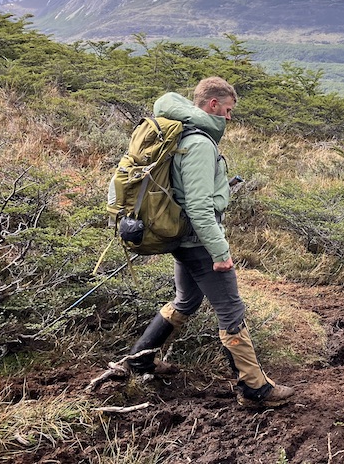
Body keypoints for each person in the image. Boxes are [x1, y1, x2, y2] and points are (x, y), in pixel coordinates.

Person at [125, 77, 295, 409]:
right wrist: (220, 253)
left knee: (186, 301)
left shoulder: (182, 134)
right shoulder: (200, 143)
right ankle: (254, 390)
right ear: (213, 104)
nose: (229, 117)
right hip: (199, 243)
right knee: (231, 310)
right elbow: (199, 207)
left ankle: (140, 360)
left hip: (183, 238)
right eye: (227, 110)